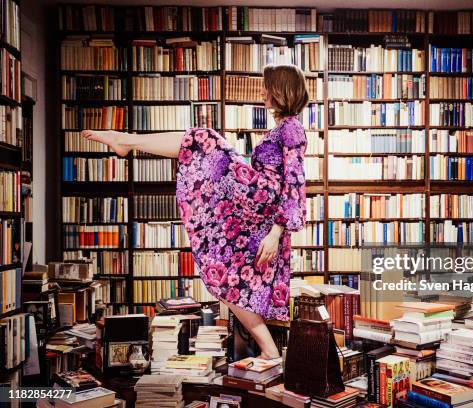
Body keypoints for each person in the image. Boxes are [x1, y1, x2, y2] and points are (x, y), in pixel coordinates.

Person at [81, 64, 309, 360]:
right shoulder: (283, 127)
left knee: (204, 139)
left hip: (263, 200)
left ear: (280, 89)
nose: (262, 91)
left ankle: (127, 140)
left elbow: (295, 181)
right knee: (232, 280)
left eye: (266, 86)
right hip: (258, 201)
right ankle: (269, 350)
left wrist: (277, 232)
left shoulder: (292, 127)